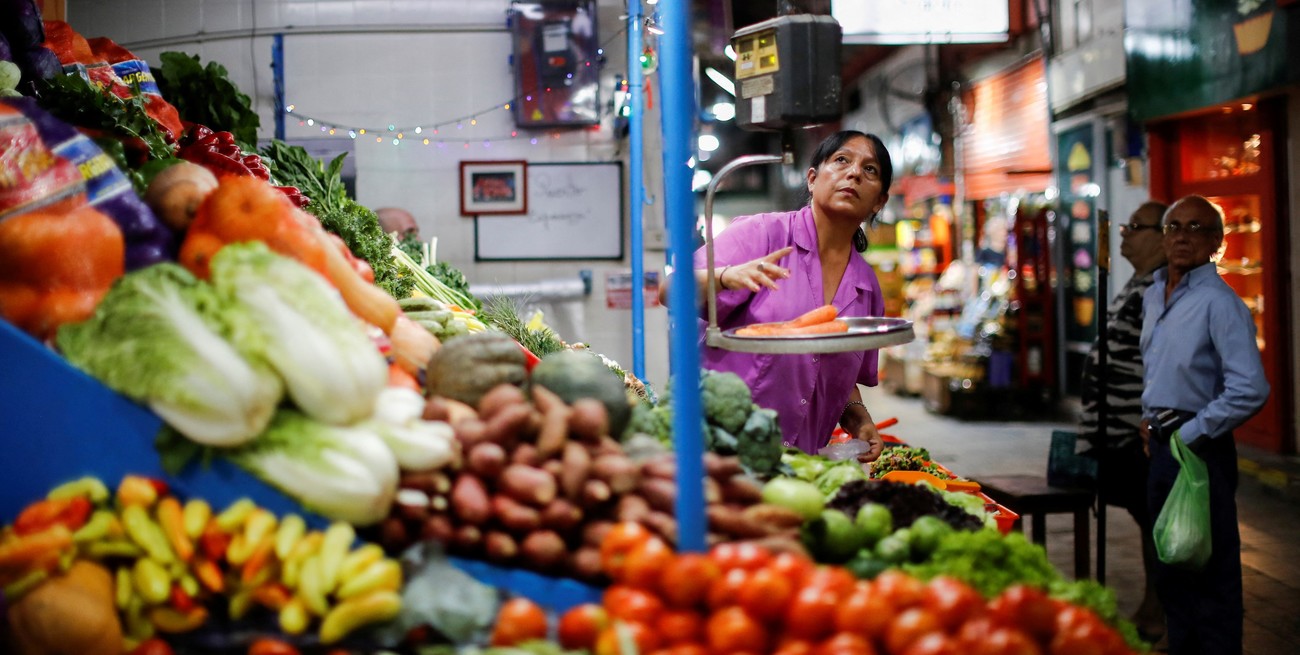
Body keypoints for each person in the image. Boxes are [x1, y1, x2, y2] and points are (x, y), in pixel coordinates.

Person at [660, 130, 891, 459]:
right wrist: (726, 277)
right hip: (720, 452)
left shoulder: (866, 286)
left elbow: (836, 372)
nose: (854, 172)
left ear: (879, 200)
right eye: (841, 160)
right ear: (812, 179)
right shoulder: (761, 235)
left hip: (800, 467)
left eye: (870, 170)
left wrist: (859, 418)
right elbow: (670, 291)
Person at [1138, 195, 1269, 655]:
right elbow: (1161, 368)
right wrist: (1149, 418)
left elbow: (1251, 387)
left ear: (1216, 241)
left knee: (1209, 574)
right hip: (1162, 444)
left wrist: (1190, 433)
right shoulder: (1156, 294)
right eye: (1174, 227)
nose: (1182, 237)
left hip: (1199, 448)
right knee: (1172, 567)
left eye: (1196, 228)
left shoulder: (1219, 302)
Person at [1077, 200, 1168, 639]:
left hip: (1138, 430)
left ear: (1162, 236)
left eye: (1136, 227)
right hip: (1113, 430)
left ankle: (1159, 609)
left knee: (1155, 519)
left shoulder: (1164, 285)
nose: (1125, 233)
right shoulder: (1140, 281)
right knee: (1143, 516)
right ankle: (1155, 604)